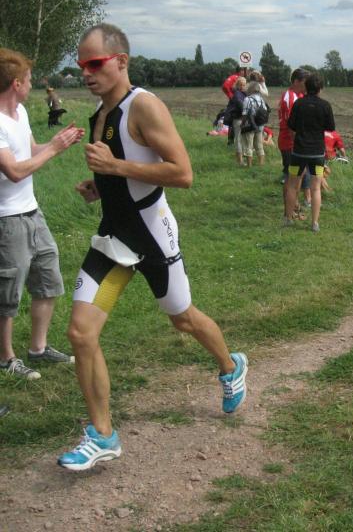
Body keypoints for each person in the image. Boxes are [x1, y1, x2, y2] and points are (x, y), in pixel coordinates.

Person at [57, 23, 247, 472]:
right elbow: (125, 169)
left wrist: (115, 168)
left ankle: (230, 365)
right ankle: (102, 435)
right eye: (82, 65)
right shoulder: (101, 112)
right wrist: (100, 186)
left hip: (152, 234)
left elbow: (182, 173)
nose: (86, 72)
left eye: (95, 63)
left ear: (121, 61)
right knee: (81, 333)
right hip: (114, 238)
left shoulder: (144, 106)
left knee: (183, 318)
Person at [0, 48, 84, 381]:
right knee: (7, 292)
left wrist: (58, 142)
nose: (32, 84)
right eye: (29, 79)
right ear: (16, 83)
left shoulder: (19, 112)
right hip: (7, 220)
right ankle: (6, 358)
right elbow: (15, 171)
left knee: (47, 279)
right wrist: (54, 149)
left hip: (32, 212)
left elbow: (31, 151)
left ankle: (38, 348)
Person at [283, 72, 334, 233]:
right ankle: (314, 223)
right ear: (320, 88)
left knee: (292, 186)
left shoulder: (298, 104)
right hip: (317, 154)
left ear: (306, 86)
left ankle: (288, 219)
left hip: (298, 152)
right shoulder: (325, 105)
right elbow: (330, 127)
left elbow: (291, 125)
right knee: (316, 188)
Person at [279, 68, 311, 217]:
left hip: (295, 142)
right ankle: (289, 213)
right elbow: (292, 126)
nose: (307, 86)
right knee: (292, 178)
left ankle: (294, 208)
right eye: (305, 83)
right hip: (290, 142)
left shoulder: (298, 95)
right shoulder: (290, 98)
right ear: (296, 81)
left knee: (298, 175)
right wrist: (301, 145)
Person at [240, 81, 267, 167]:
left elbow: (245, 114)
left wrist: (242, 124)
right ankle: (261, 164)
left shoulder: (247, 99)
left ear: (250, 89)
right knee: (259, 145)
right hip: (260, 125)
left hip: (250, 125)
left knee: (249, 146)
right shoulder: (261, 99)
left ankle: (249, 165)